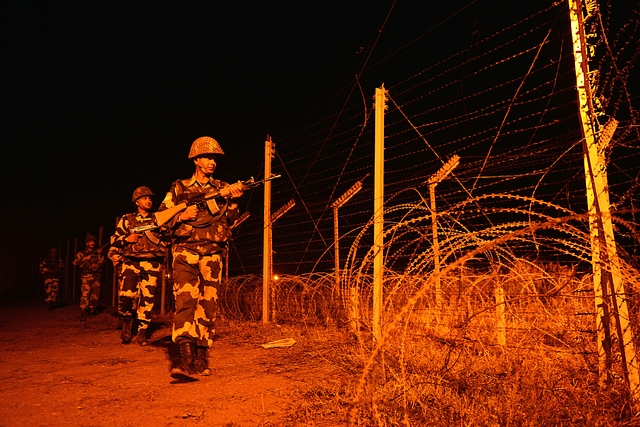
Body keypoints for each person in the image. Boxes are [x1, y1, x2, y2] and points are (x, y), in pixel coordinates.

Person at [158, 136, 244, 379]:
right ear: (196, 159)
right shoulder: (179, 188)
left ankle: (201, 356)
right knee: (185, 302)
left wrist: (235, 201)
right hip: (185, 252)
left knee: (208, 306)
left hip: (213, 253)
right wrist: (182, 216)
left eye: (215, 158)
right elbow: (161, 219)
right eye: (207, 157)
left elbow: (230, 220)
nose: (212, 162)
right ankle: (184, 359)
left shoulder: (222, 187)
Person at [109, 186, 168, 345]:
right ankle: (127, 325)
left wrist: (164, 231)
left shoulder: (157, 218)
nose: (149, 201)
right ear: (137, 201)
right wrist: (126, 239)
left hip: (151, 263)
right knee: (126, 297)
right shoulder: (127, 219)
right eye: (145, 198)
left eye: (150, 198)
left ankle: (142, 330)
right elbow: (114, 239)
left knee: (147, 298)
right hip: (131, 263)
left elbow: (167, 240)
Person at [73, 233, 104, 321]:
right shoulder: (82, 253)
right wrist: (85, 258)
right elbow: (75, 262)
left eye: (93, 241)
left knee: (95, 295)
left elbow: (101, 263)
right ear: (86, 243)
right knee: (85, 294)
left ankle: (92, 311)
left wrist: (100, 255)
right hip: (86, 276)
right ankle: (83, 312)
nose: (92, 243)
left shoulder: (98, 252)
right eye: (90, 241)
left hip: (97, 276)